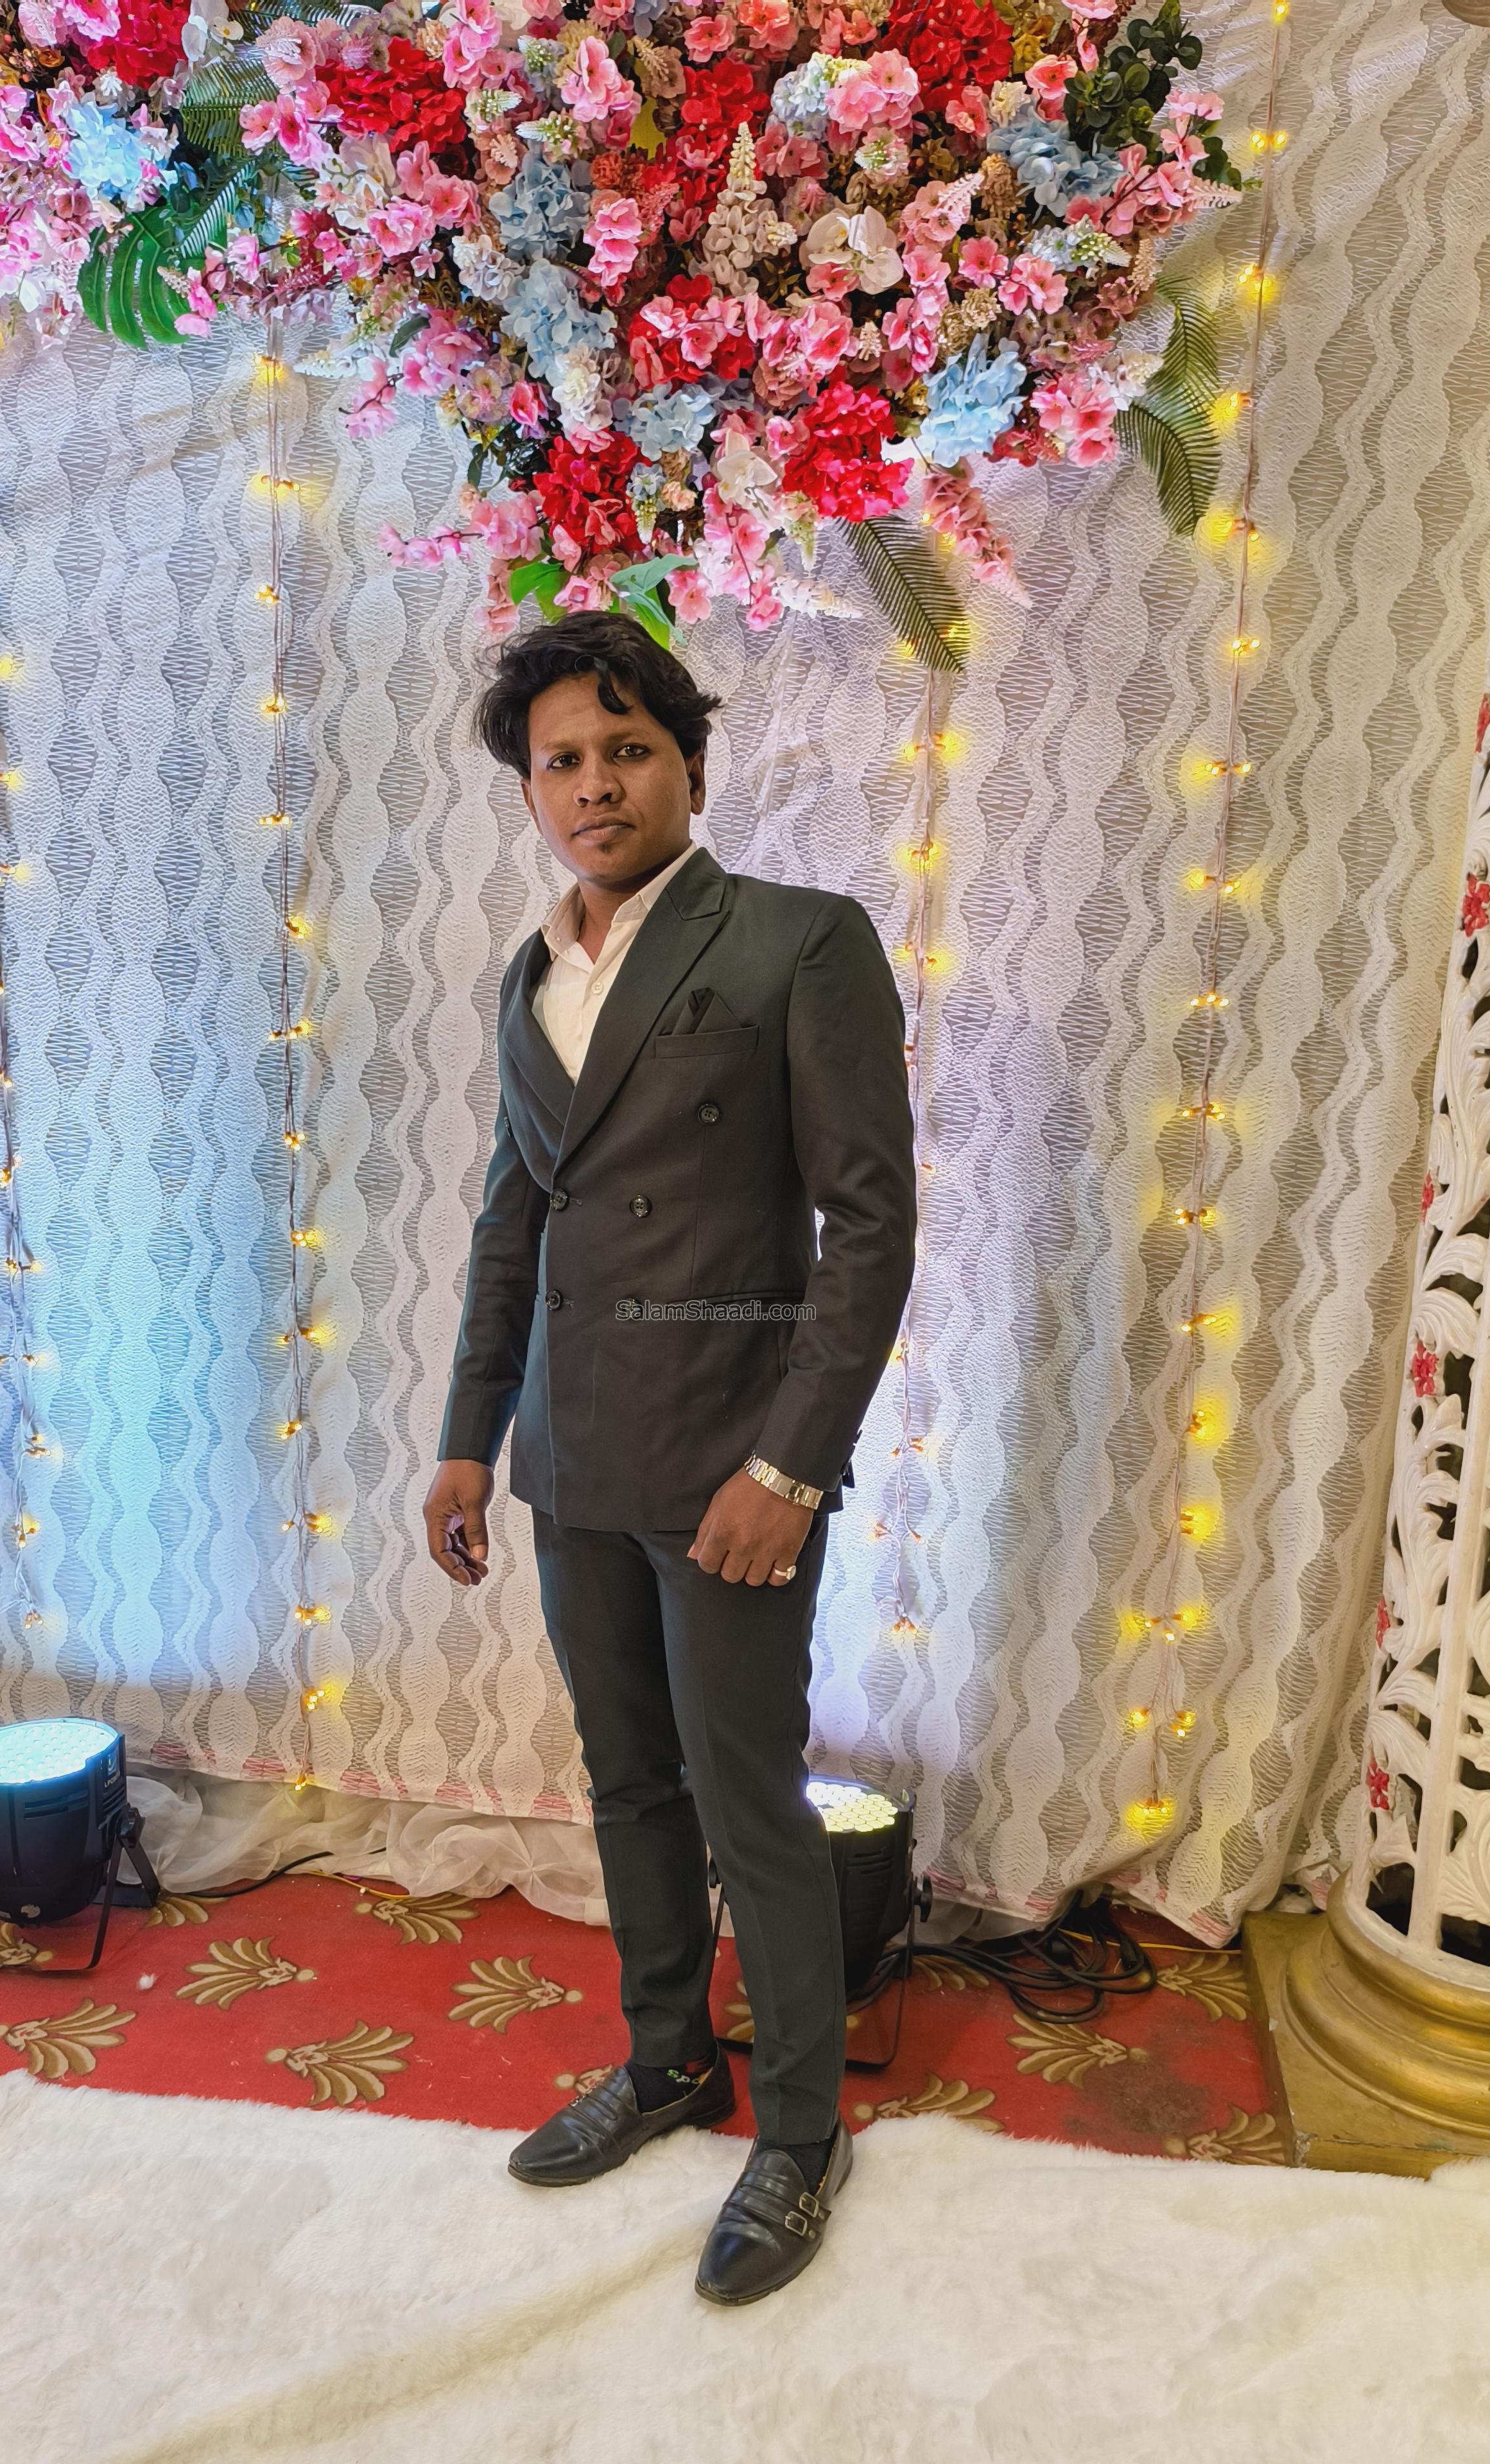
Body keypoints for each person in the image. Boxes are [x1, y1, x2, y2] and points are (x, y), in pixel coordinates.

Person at [422, 610, 915, 2305]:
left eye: (627, 749)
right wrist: (469, 1437)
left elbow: (869, 1229)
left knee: (745, 1795)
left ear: (690, 766)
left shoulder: (797, 941)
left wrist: (790, 1471)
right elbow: (512, 1224)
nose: (594, 784)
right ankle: (667, 2061)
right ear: (530, 790)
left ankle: (800, 2134)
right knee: (627, 1779)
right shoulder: (531, 976)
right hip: (571, 1460)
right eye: (561, 759)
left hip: (728, 1469)